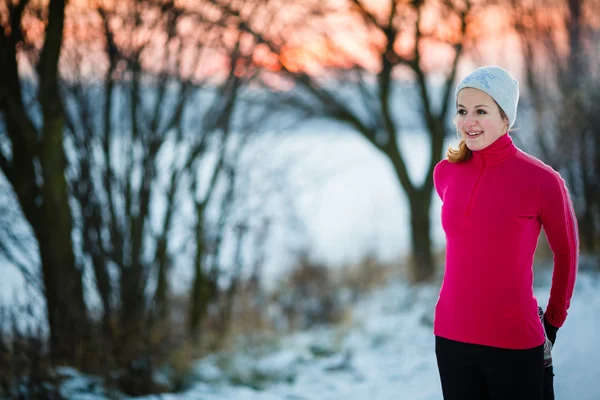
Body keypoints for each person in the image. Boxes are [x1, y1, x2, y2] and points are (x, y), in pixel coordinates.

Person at [432, 66, 579, 400]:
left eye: (481, 111)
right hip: (451, 339)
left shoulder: (542, 180)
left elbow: (566, 253)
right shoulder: (446, 173)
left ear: (505, 117)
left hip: (514, 341)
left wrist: (553, 321)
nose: (468, 121)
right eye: (462, 111)